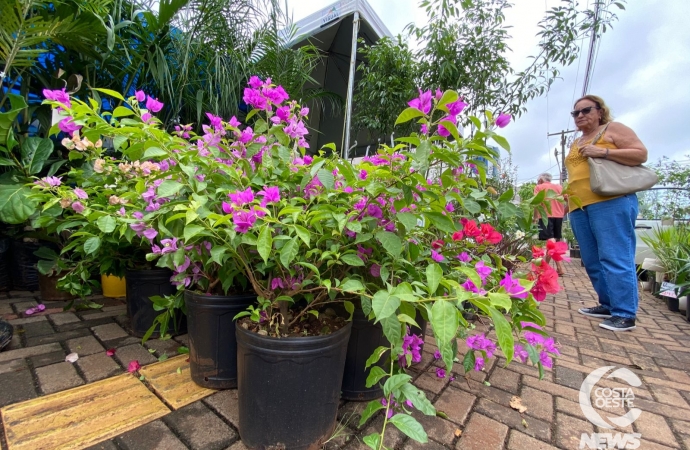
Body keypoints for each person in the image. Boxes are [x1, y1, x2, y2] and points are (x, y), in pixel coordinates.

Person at [566, 95, 647, 331]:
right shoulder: (578, 140)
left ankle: (625, 313)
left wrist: (603, 153)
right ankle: (608, 304)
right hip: (579, 206)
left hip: (610, 201)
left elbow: (641, 154)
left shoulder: (613, 129)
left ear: (600, 111)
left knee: (615, 256)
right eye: (575, 113)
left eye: (586, 110)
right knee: (591, 259)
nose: (580, 115)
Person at [533, 172, 566, 276]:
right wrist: (564, 211)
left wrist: (535, 217)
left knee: (551, 243)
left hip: (545, 216)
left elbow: (536, 202)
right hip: (559, 217)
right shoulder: (559, 187)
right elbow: (568, 200)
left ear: (541, 180)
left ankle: (559, 268)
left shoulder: (539, 187)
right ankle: (546, 267)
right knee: (552, 242)